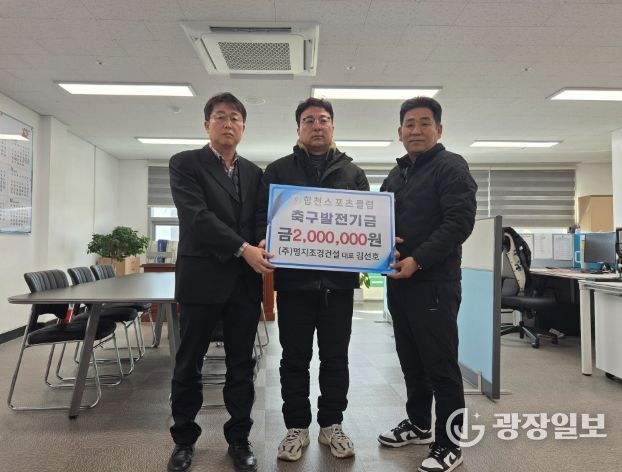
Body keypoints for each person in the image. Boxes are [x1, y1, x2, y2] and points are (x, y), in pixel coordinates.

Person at [167, 92, 275, 472]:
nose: (228, 123)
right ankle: (183, 441)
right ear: (206, 124)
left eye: (235, 118)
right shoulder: (185, 164)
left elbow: (259, 218)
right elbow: (197, 217)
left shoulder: (255, 173)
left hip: (243, 284)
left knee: (241, 365)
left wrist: (263, 241)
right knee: (189, 363)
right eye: (220, 116)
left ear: (243, 127)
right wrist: (244, 248)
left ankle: (239, 439)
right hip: (201, 279)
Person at [261, 98, 369, 462]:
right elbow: (263, 219)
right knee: (294, 359)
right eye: (309, 120)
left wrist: (379, 247)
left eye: (323, 119)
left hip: (338, 286)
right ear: (299, 129)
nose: (317, 125)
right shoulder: (278, 171)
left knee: (335, 358)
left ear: (333, 127)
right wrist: (264, 240)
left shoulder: (353, 174)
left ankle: (331, 424)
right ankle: (296, 427)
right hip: (294, 285)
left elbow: (368, 223)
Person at [378, 97, 477, 472]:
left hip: (433, 281)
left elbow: (458, 222)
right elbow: (380, 221)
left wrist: (417, 260)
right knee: (411, 361)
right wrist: (382, 246)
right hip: (398, 282)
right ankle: (419, 423)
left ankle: (450, 444)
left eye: (424, 123)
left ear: (439, 129)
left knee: (441, 366)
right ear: (400, 131)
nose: (416, 130)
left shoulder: (451, 167)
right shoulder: (397, 173)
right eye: (409, 124)